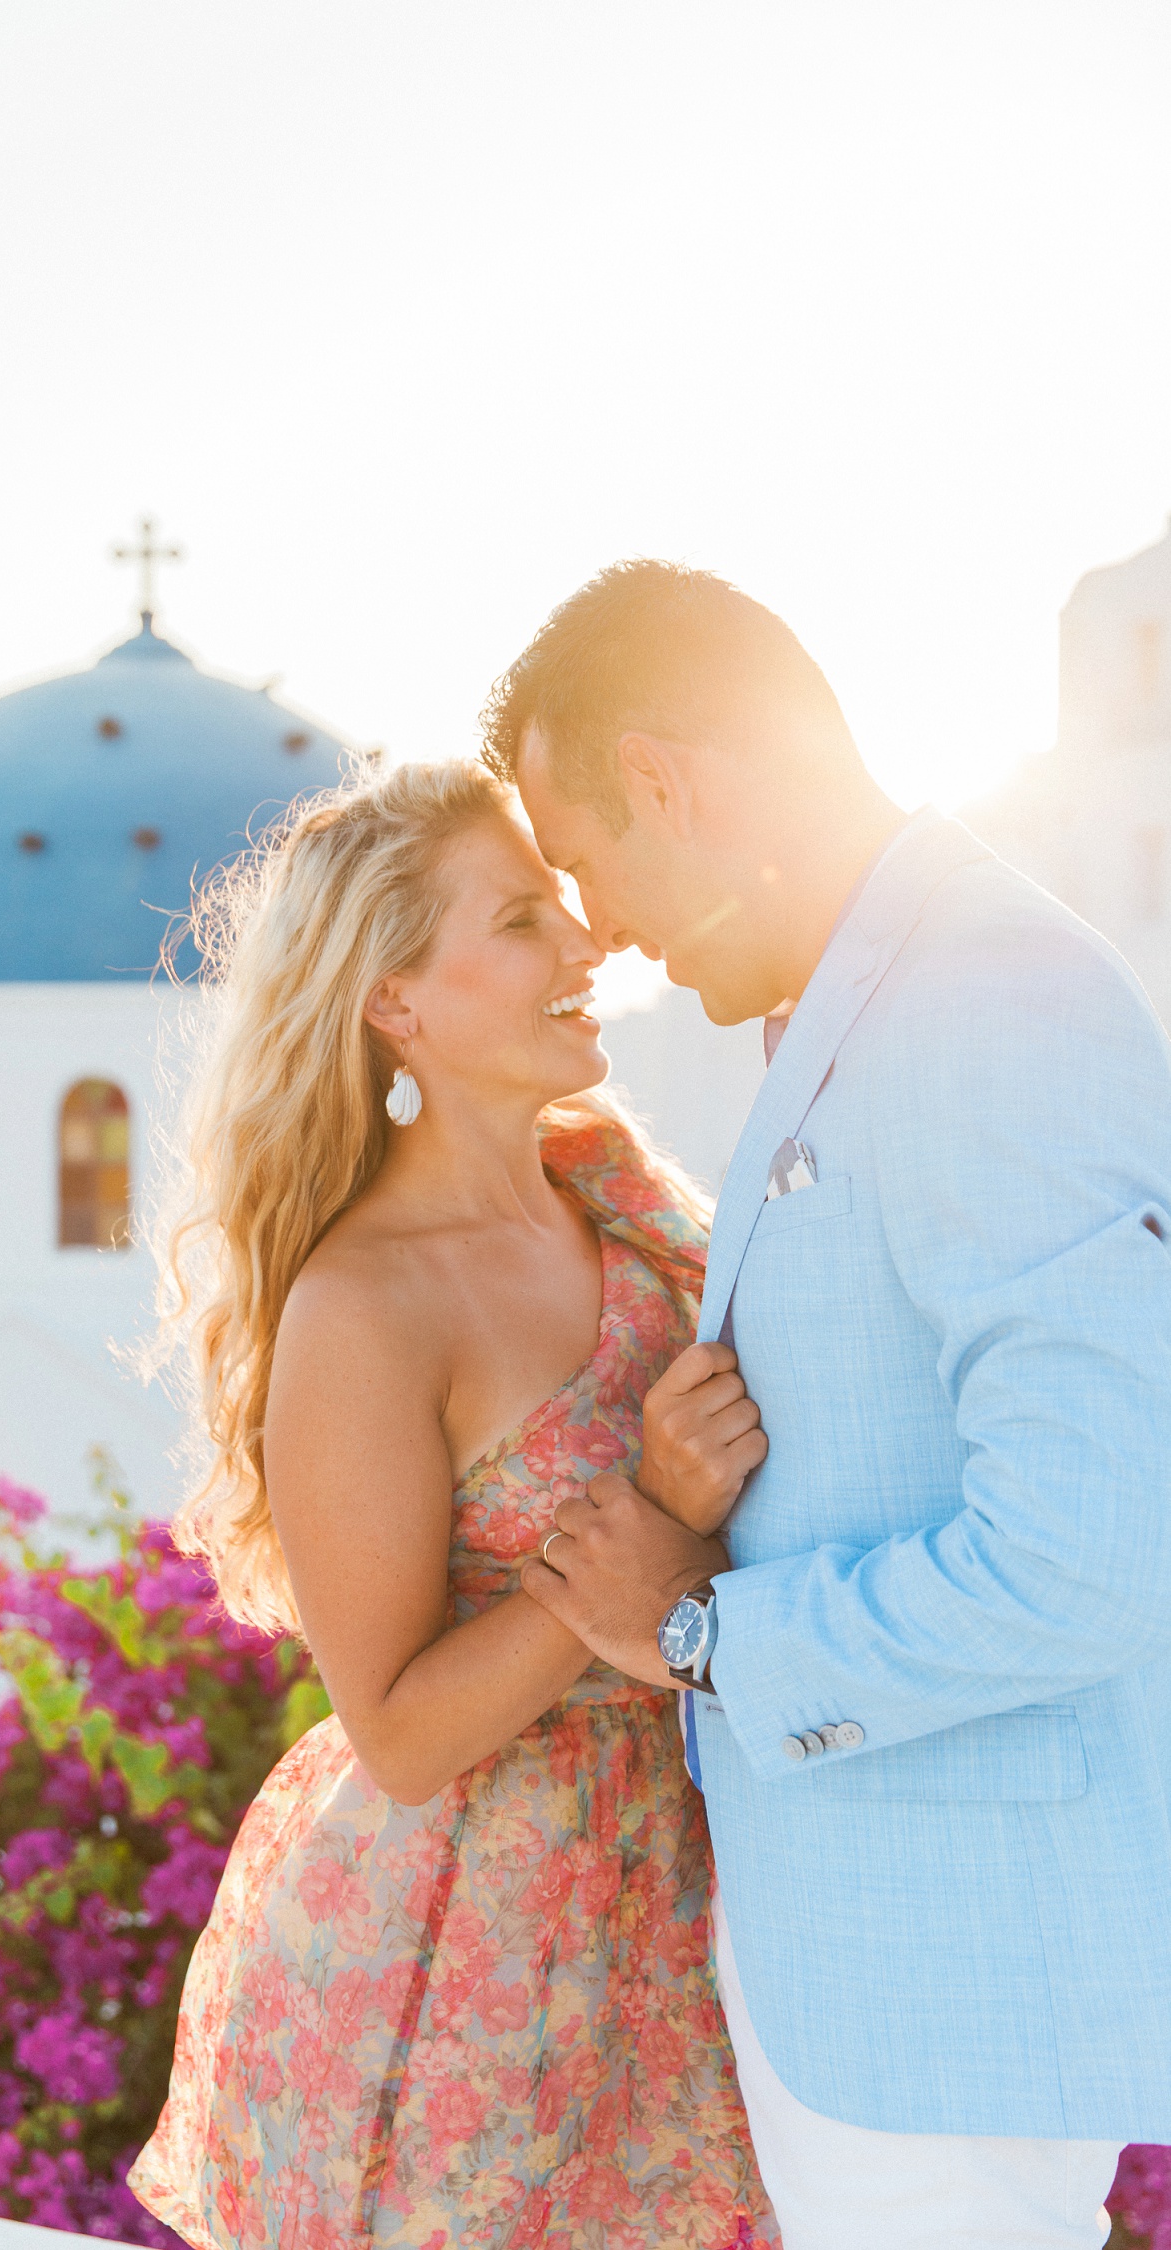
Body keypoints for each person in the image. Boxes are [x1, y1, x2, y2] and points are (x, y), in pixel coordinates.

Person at [479, 560, 1171, 2250]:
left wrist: (706, 1631)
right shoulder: (877, 985)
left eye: (583, 863)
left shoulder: (982, 997)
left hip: (950, 2002)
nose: (597, 930)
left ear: (666, 780)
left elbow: (1093, 1548)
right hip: (894, 1984)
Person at [128, 761, 779, 2249]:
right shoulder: (366, 1302)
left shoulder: (618, 1192)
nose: (582, 947)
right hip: (473, 1966)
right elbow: (402, 1735)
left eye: (562, 908)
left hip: (693, 1909)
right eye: (520, 922)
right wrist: (641, 1513)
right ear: (395, 1000)